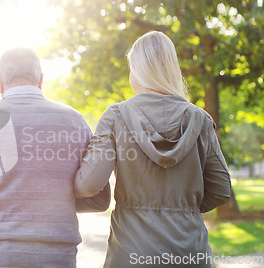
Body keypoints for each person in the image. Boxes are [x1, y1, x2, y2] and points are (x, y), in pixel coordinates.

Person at [0, 48, 111, 268]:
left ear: (0, 83)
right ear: (40, 80)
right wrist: (57, 199)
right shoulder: (74, 121)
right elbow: (100, 198)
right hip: (57, 254)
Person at [74, 31, 232, 268]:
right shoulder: (201, 119)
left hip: (130, 253)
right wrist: (183, 208)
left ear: (136, 69)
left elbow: (88, 185)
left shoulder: (116, 116)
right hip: (190, 253)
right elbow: (220, 189)